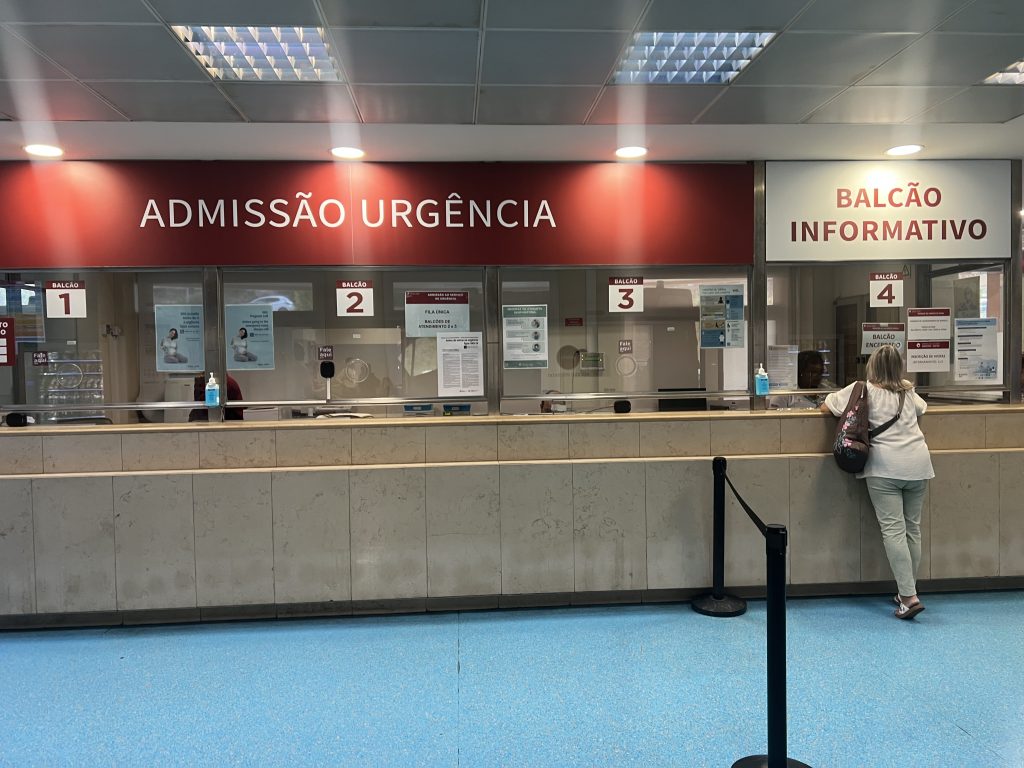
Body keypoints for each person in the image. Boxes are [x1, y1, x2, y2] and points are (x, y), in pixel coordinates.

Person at [821, 344, 934, 620]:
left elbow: (827, 406)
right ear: (899, 368)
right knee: (912, 530)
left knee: (893, 531)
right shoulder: (908, 391)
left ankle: (908, 597)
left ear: (872, 365)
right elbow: (923, 409)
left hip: (885, 468)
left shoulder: (862, 389)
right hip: (918, 465)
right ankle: (907, 590)